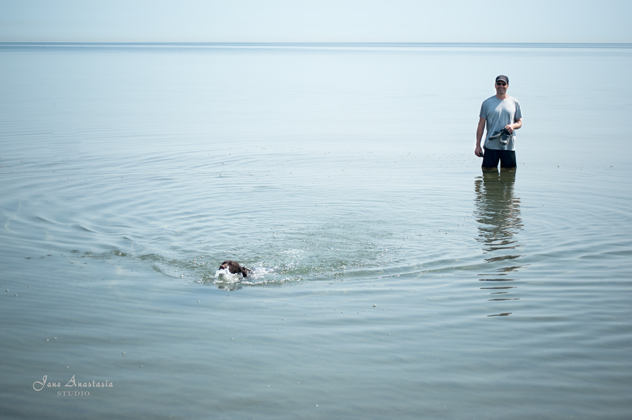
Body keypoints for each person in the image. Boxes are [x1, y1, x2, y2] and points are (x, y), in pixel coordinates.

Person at [475, 75, 523, 170]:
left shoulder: (514, 102)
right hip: (491, 146)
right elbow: (481, 124)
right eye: (499, 84)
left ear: (507, 86)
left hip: (508, 146)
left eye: (503, 84)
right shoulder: (487, 103)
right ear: (495, 85)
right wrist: (478, 145)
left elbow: (519, 122)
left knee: (509, 178)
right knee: (488, 177)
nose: (501, 86)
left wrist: (513, 126)